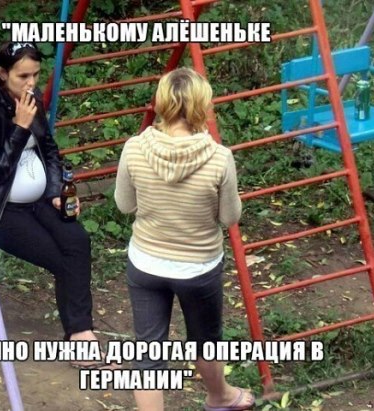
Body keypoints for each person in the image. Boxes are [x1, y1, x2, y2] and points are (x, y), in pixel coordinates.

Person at [114, 68, 255, 410]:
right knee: (206, 341)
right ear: (201, 106)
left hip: (145, 263)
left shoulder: (134, 148)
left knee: (148, 353)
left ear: (161, 103)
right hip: (198, 268)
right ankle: (220, 397)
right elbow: (229, 217)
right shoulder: (219, 158)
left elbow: (125, 205)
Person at [0, 41, 105, 368]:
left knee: (78, 241)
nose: (31, 83)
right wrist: (19, 127)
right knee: (61, 259)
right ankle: (80, 337)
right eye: (23, 76)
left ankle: (80, 334)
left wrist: (56, 190)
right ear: (3, 74)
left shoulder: (33, 99)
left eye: (36, 75)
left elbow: (50, 150)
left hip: (39, 200)